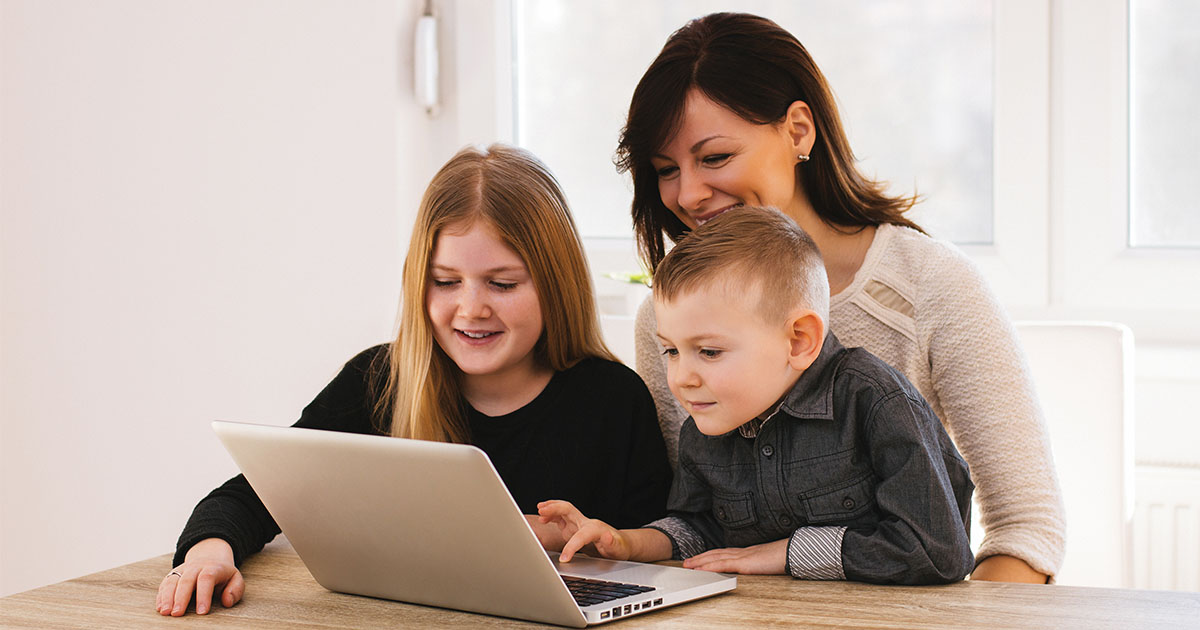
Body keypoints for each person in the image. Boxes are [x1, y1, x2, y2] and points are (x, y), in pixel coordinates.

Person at [616, 12, 1064, 583]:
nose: (688, 194)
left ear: (798, 131)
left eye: (715, 158)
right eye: (664, 169)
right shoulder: (665, 319)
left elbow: (1027, 527)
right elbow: (695, 522)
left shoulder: (929, 284)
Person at [156, 144, 672, 617]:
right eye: (445, 282)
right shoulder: (379, 380)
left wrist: (587, 541)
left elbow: (662, 545)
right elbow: (251, 495)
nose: (471, 308)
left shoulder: (612, 400)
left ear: (555, 283)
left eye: (503, 283)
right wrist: (208, 551)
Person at [539, 207, 974, 584]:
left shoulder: (876, 403)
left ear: (799, 341)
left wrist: (784, 553)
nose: (682, 378)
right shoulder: (705, 423)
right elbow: (699, 528)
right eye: (671, 350)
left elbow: (937, 550)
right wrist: (622, 542)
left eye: (708, 351)